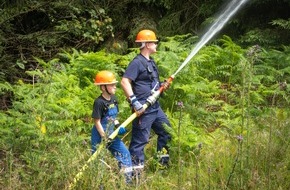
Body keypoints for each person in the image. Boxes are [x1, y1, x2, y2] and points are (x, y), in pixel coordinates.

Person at [121, 29, 171, 174]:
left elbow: (151, 84)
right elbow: (125, 82)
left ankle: (162, 167)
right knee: (139, 143)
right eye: (154, 42)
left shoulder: (151, 62)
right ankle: (134, 178)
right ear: (148, 44)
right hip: (143, 108)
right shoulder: (137, 63)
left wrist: (162, 85)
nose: (156, 44)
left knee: (166, 132)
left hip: (155, 107)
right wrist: (134, 102)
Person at [91, 70, 132, 184]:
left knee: (124, 154)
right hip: (99, 136)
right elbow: (97, 122)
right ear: (103, 87)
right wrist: (104, 137)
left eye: (115, 84)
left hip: (112, 134)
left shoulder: (114, 99)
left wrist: (119, 128)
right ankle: (99, 186)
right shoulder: (99, 102)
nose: (115, 87)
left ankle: (126, 183)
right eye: (112, 85)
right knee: (99, 162)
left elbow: (114, 118)